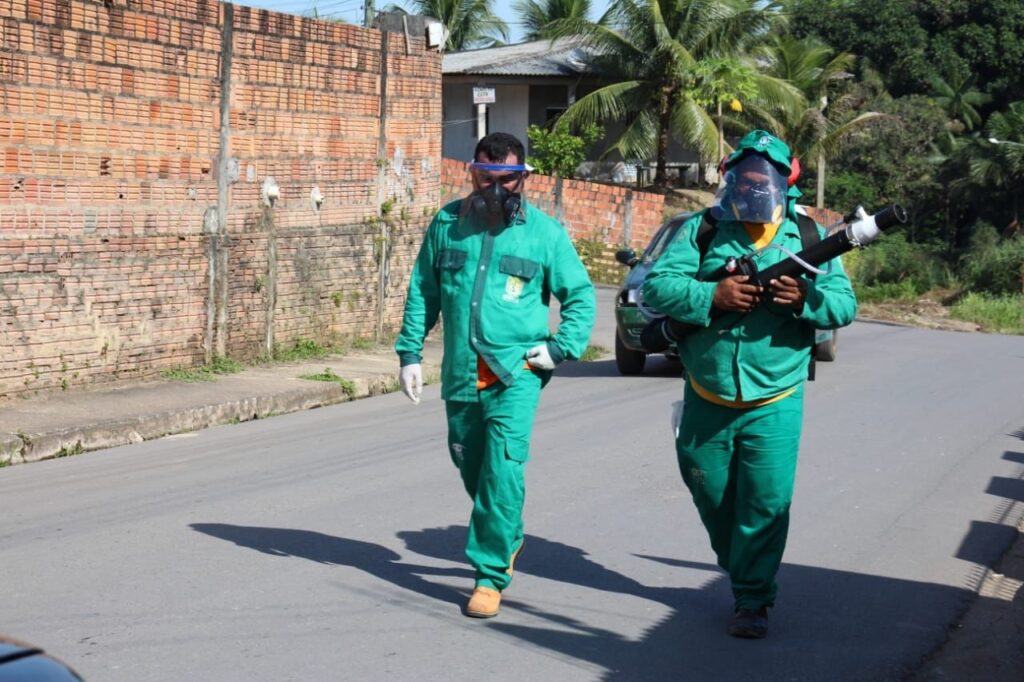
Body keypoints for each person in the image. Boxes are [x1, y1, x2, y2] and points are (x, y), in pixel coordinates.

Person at [642, 130, 857, 638]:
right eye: (746, 180)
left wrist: (804, 297)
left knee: (764, 500)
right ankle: (743, 566)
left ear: (787, 183)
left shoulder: (810, 238)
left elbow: (844, 306)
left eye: (765, 180)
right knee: (710, 490)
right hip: (707, 393)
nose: (754, 190)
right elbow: (657, 286)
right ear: (731, 181)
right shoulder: (703, 230)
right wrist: (711, 296)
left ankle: (753, 599)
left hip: (776, 397)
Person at [395, 132, 596, 618]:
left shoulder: (544, 234)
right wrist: (409, 353)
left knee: (503, 469)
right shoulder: (447, 223)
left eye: (504, 179)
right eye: (484, 177)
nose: (493, 188)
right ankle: (507, 534)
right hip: (462, 374)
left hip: (517, 373)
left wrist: (559, 348)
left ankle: (488, 576)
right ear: (472, 172)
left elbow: (581, 297)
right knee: (471, 466)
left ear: (521, 180)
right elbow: (424, 290)